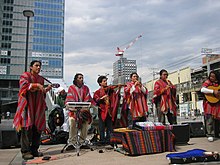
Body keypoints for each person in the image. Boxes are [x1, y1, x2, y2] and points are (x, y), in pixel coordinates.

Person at [13, 60, 52, 160]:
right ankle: (25, 151)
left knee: (37, 128)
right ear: (31, 67)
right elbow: (24, 87)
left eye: (40, 66)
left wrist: (46, 89)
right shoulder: (25, 76)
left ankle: (34, 149)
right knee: (26, 128)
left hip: (37, 106)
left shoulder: (41, 79)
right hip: (27, 106)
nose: (38, 67)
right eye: (36, 65)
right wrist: (36, 85)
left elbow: (41, 92)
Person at [65, 73, 92, 150]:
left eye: (82, 78)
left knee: (85, 123)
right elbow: (69, 99)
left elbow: (87, 99)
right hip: (74, 112)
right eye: (80, 78)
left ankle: (82, 142)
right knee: (72, 122)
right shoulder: (71, 88)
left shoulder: (86, 88)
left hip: (83, 112)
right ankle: (71, 142)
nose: (81, 79)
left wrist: (84, 108)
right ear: (76, 79)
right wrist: (74, 108)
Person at [93, 76, 121, 144]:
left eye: (106, 81)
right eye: (104, 81)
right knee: (101, 126)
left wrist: (119, 89)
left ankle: (109, 139)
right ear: (100, 83)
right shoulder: (97, 92)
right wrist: (102, 98)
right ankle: (102, 140)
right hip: (102, 111)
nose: (106, 82)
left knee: (110, 126)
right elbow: (95, 100)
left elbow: (116, 96)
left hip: (109, 111)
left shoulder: (110, 90)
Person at [200, 70, 220, 142]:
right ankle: (210, 134)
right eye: (210, 76)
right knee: (209, 119)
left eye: (213, 77)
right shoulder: (208, 82)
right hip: (209, 102)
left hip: (217, 102)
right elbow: (202, 89)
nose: (211, 78)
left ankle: (217, 133)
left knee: (218, 119)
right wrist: (213, 91)